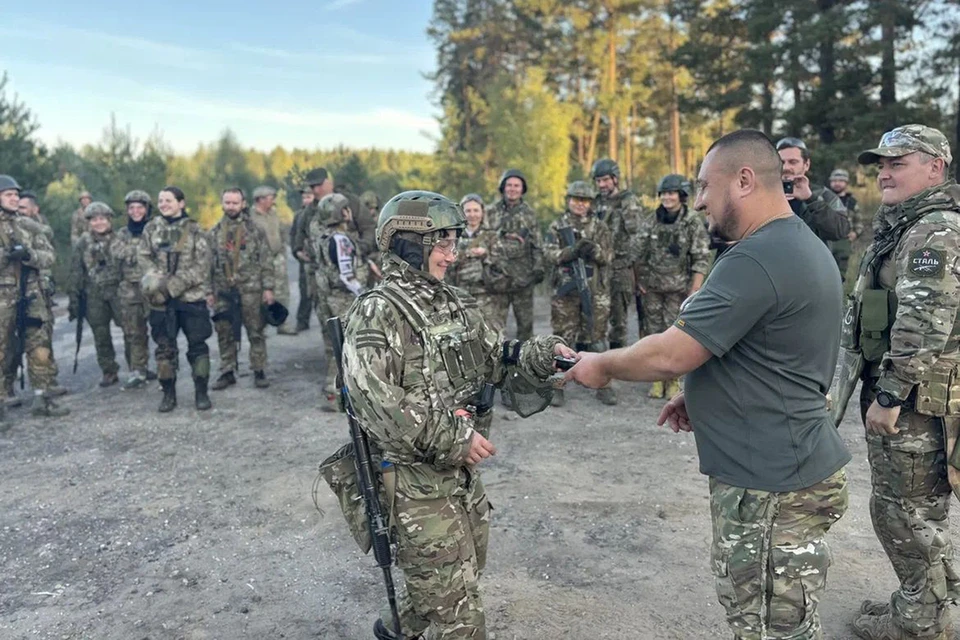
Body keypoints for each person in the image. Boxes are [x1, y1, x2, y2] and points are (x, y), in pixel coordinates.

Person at [565, 130, 851, 639]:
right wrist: (704, 393)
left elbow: (671, 352)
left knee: (767, 627)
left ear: (743, 180)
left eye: (703, 186)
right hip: (781, 466)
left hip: (771, 483)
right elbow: (772, 351)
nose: (697, 201)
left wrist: (601, 365)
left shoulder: (757, 258)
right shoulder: (788, 245)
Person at [337, 190, 574, 640]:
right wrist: (454, 438)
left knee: (464, 571)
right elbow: (375, 403)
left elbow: (496, 356)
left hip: (460, 477)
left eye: (454, 242)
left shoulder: (453, 302)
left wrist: (543, 355)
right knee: (458, 615)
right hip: (411, 483)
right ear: (409, 243)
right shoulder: (377, 312)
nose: (452, 253)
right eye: (442, 243)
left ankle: (396, 629)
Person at [831, 124, 960, 640]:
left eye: (898, 162)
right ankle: (932, 596)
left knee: (901, 511)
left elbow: (925, 321)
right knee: (919, 508)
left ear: (935, 167)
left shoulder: (935, 231)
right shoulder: (906, 224)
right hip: (914, 395)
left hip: (912, 402)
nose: (884, 172)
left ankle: (920, 621)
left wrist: (889, 395)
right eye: (880, 164)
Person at [634, 173, 711, 399]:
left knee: (676, 336)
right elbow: (638, 253)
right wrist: (639, 281)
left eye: (671, 193)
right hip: (653, 289)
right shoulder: (651, 220)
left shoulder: (691, 222)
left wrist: (694, 289)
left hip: (679, 291)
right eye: (664, 193)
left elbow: (700, 257)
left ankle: (675, 380)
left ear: (681, 196)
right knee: (652, 333)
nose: (667, 197)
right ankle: (657, 380)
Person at [0, 175, 69, 422]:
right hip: (3, 298)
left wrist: (28, 255)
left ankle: (42, 399)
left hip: (32, 296)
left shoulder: (28, 226)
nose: (14, 199)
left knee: (39, 348)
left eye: (16, 195)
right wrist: (7, 255)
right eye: (8, 194)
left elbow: (49, 257)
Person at [139, 186, 213, 413]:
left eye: (168, 200)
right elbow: (143, 256)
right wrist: (155, 279)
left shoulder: (194, 230)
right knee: (164, 349)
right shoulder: (151, 228)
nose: (163, 204)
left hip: (191, 299)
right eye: (160, 200)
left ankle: (201, 392)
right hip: (160, 301)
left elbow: (202, 266)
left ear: (181, 203)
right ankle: (168, 394)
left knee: (198, 347)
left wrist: (174, 286)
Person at [544, 180, 615, 406]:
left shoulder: (600, 227)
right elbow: (549, 254)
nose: (579, 204)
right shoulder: (558, 225)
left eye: (584, 201)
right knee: (563, 339)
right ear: (569, 201)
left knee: (596, 337)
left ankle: (604, 384)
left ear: (590, 203)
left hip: (595, 290)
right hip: (565, 291)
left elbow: (609, 257)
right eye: (576, 199)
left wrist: (594, 251)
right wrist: (570, 252)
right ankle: (557, 385)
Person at [208, 188, 276, 391]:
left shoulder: (254, 230)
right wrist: (208, 292)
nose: (230, 207)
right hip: (223, 290)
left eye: (235, 203)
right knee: (224, 331)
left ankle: (259, 369)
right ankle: (227, 371)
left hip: (251, 289)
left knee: (255, 330)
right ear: (222, 204)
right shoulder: (214, 232)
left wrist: (268, 288)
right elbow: (208, 265)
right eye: (227, 203)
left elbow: (266, 260)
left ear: (243, 204)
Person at [306, 193, 369, 412]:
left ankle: (334, 392)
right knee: (344, 349)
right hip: (342, 302)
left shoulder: (323, 237)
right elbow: (347, 275)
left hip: (327, 300)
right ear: (343, 213)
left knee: (331, 346)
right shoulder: (341, 240)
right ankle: (336, 394)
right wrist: (364, 293)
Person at [68, 202, 127, 387]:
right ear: (89, 222)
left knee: (131, 330)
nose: (98, 223)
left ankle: (137, 366)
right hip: (94, 293)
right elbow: (76, 271)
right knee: (101, 334)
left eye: (102, 218)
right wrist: (74, 297)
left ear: (109, 220)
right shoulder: (83, 242)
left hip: (118, 290)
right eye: (94, 219)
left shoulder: (120, 238)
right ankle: (109, 370)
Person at [591, 158, 645, 348]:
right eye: (598, 181)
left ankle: (617, 362)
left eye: (605, 180)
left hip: (620, 267)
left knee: (618, 320)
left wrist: (633, 268)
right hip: (597, 267)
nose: (602, 185)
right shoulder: (594, 203)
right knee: (595, 317)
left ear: (615, 179)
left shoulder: (627, 201)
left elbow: (637, 236)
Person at [485, 168, 544, 342]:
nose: (512, 189)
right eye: (509, 185)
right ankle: (496, 364)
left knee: (525, 327)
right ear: (502, 187)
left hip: (523, 279)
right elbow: (483, 239)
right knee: (494, 326)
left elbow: (537, 244)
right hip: (497, 279)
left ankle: (525, 363)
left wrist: (538, 269)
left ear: (522, 189)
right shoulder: (490, 212)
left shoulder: (529, 214)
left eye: (517, 185)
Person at [114, 190, 156, 390]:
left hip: (155, 287)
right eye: (132, 208)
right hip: (130, 289)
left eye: (140, 207)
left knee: (161, 331)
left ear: (147, 209)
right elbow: (116, 252)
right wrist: (140, 252)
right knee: (134, 332)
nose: (136, 211)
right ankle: (138, 370)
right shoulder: (122, 233)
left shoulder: (156, 229)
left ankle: (167, 369)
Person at [776, 137, 851, 247]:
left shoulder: (823, 195)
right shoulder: (764, 195)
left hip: (812, 262)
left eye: (793, 162)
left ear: (806, 165)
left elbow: (840, 231)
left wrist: (811, 199)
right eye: (781, 162)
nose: (786, 167)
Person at [445, 194, 504, 332]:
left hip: (487, 296)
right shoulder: (452, 236)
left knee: (490, 332)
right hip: (458, 294)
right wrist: (465, 254)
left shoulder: (491, 236)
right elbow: (444, 261)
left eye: (476, 210)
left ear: (482, 212)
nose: (472, 215)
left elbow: (502, 264)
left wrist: (486, 255)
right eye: (468, 211)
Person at [250, 185, 296, 336]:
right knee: (262, 292)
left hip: (278, 258)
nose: (273, 201)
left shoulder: (274, 214)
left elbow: (281, 232)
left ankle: (282, 322)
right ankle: (260, 326)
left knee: (282, 291)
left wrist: (283, 248)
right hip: (261, 260)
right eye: (271, 198)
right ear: (260, 200)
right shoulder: (251, 218)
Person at [292, 168, 334, 331]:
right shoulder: (308, 212)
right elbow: (298, 235)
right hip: (318, 271)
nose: (315, 190)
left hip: (346, 274)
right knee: (325, 319)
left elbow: (367, 228)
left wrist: (362, 249)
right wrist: (298, 251)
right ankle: (332, 354)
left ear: (328, 183)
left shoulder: (347, 202)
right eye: (312, 187)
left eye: (318, 186)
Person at [828, 168, 868, 279]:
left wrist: (855, 233)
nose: (837, 183)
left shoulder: (851, 202)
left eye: (840, 181)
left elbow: (858, 220)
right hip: (827, 238)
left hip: (844, 239)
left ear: (846, 183)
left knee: (841, 269)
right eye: (834, 181)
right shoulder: (825, 199)